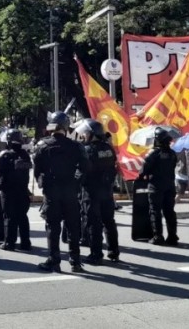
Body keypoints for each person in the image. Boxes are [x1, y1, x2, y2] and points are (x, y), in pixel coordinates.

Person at [33, 111, 90, 273]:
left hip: (52, 191)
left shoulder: (42, 145)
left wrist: (43, 183)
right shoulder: (76, 146)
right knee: (72, 226)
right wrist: (75, 182)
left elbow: (37, 169)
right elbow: (85, 168)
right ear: (66, 127)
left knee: (52, 226)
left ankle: (54, 260)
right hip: (70, 191)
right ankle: (75, 262)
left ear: (52, 125)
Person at [75, 121, 119, 264]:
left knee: (94, 223)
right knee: (109, 222)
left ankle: (96, 254)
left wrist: (74, 186)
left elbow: (82, 172)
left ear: (92, 134)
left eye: (86, 133)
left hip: (91, 191)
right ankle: (113, 252)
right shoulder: (108, 148)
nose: (84, 135)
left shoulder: (87, 150)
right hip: (106, 190)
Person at [0, 129, 32, 251]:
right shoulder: (25, 155)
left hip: (9, 191)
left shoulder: (4, 155)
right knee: (22, 217)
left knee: (9, 216)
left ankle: (9, 243)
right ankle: (25, 243)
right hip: (23, 190)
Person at [140, 128, 179, 246]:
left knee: (155, 211)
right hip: (170, 185)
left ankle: (158, 236)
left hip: (156, 186)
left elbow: (143, 170)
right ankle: (172, 236)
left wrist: (143, 175)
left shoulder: (153, 153)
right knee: (169, 212)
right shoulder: (172, 153)